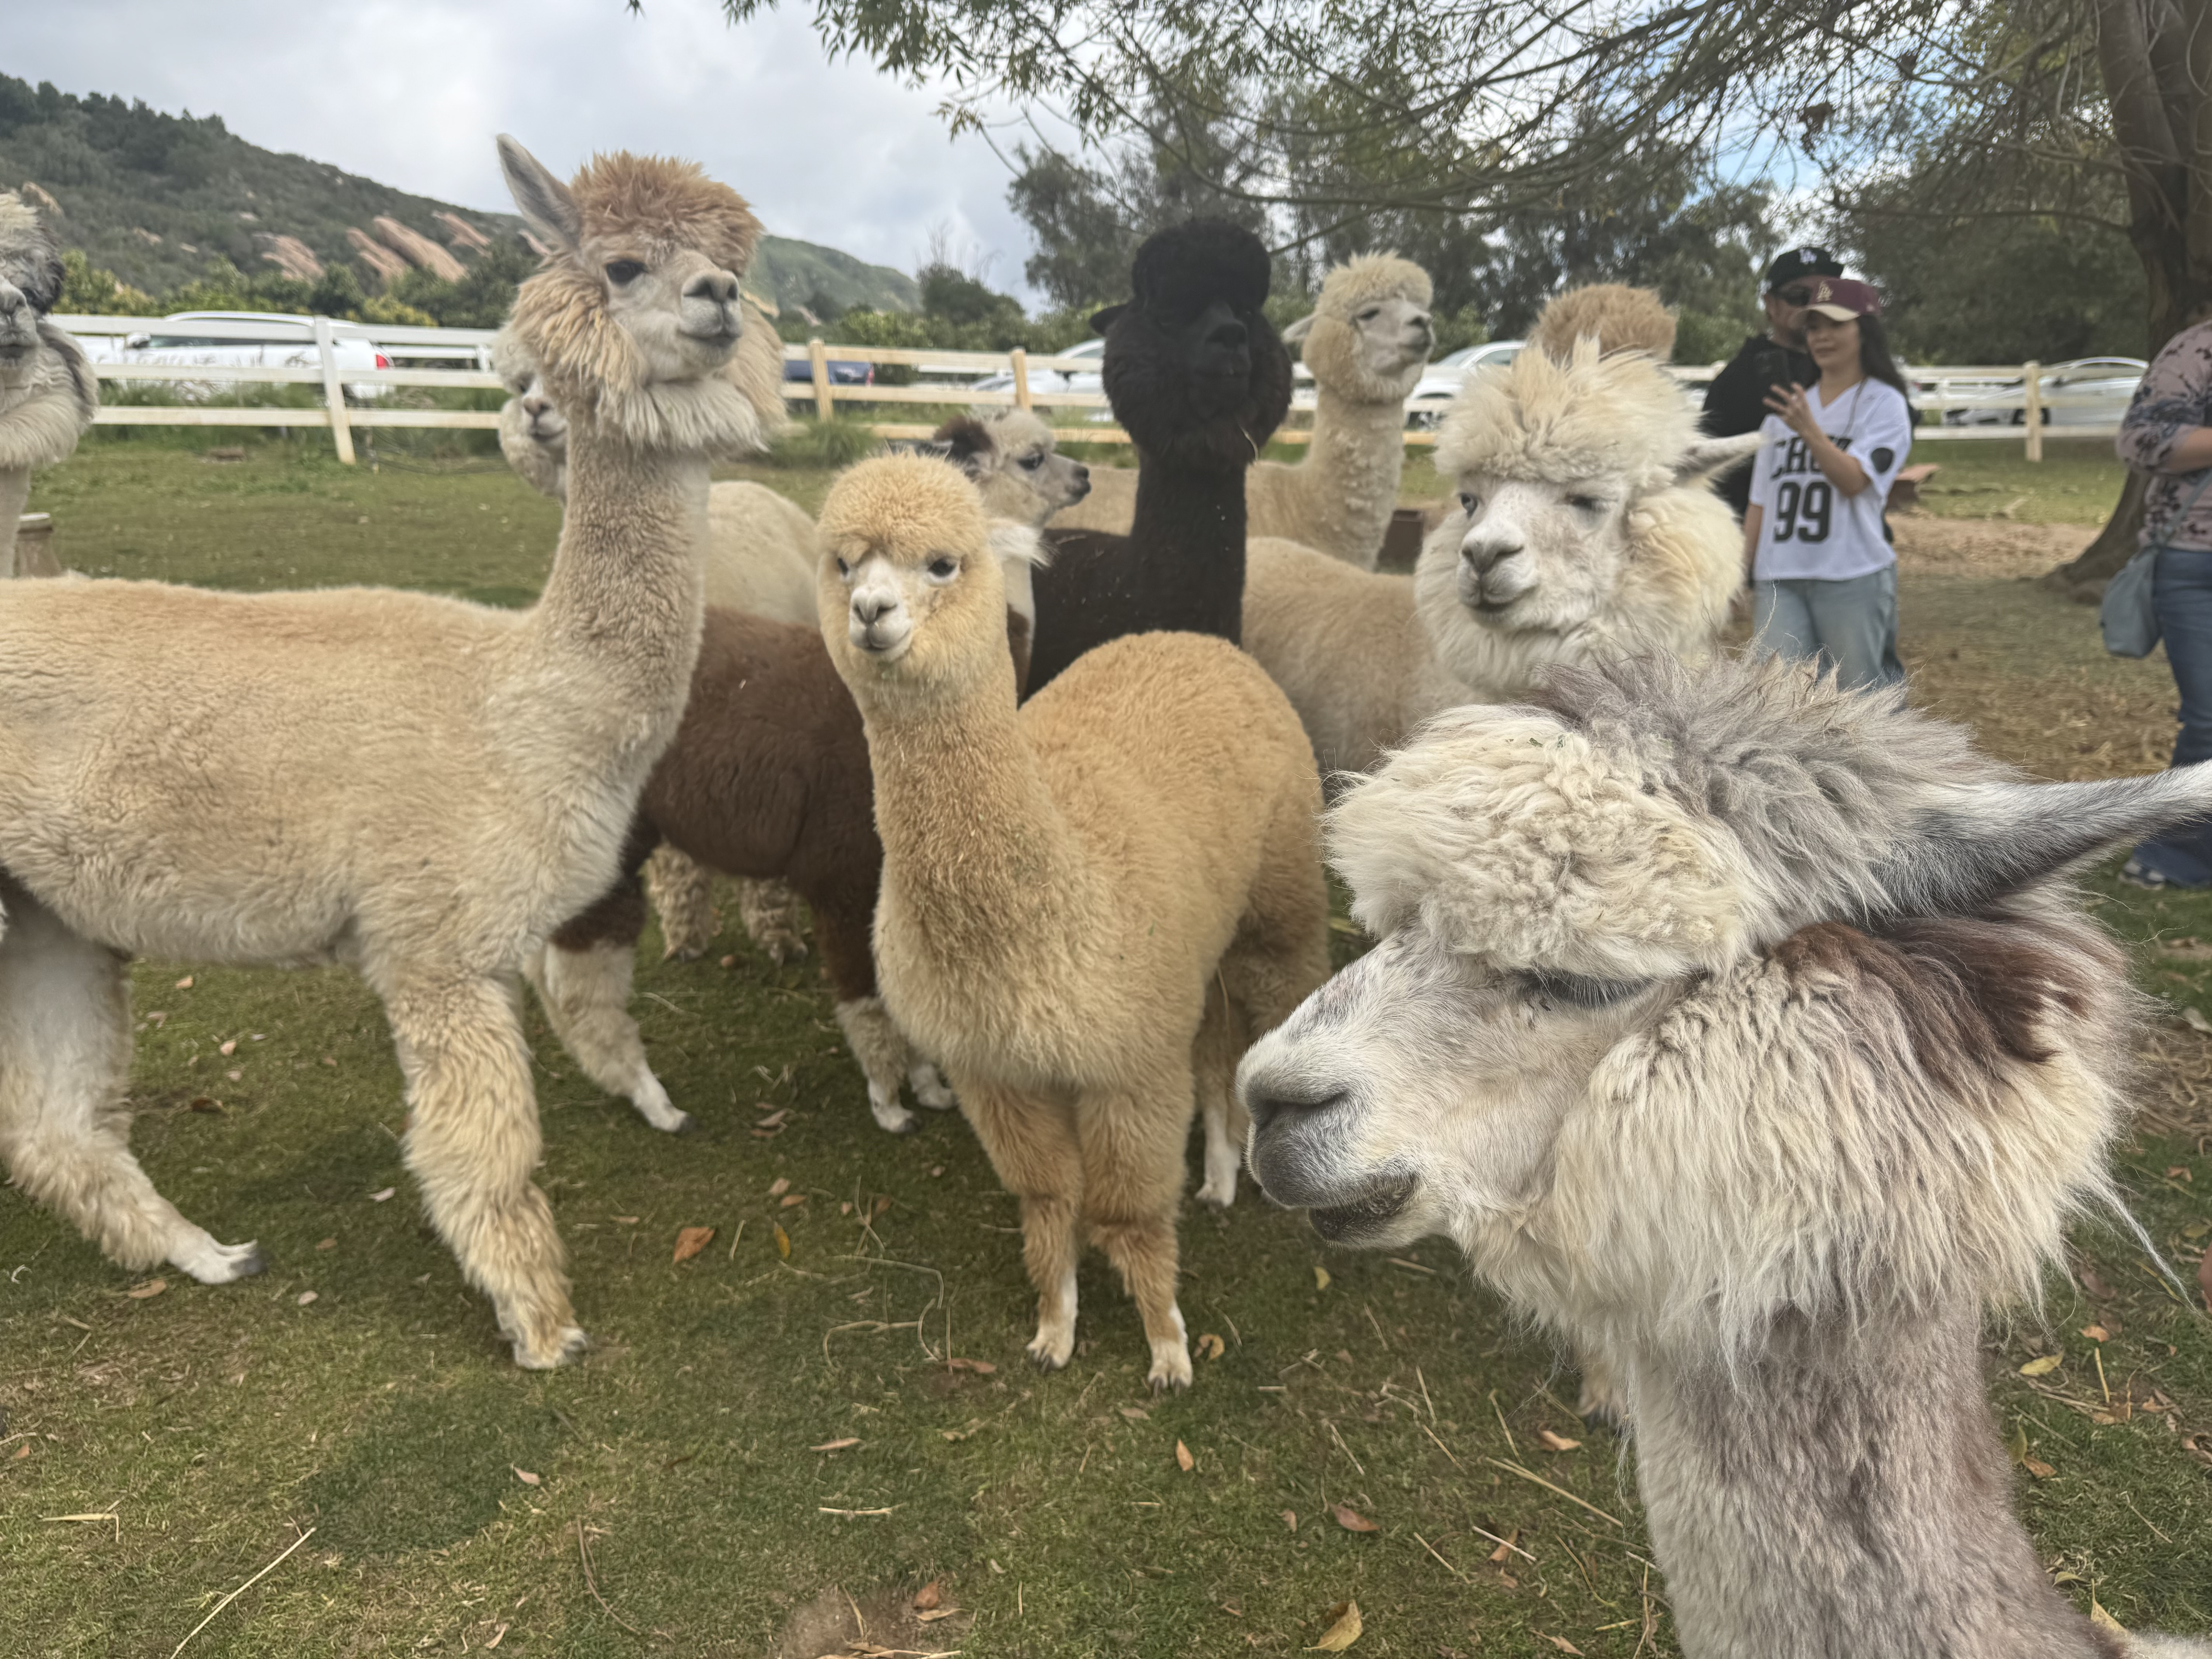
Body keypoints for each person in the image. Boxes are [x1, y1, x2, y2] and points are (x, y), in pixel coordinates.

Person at [1741, 276, 1913, 691]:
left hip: (1852, 576)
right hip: (1780, 578)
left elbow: (1854, 481)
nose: (1822, 337)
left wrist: (1811, 432)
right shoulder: (1784, 412)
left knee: (1861, 703)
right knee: (1776, 701)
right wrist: (1740, 572)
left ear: (1864, 330)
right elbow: (1761, 501)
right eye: (1814, 327)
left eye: (1836, 325)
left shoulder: (1884, 404)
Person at [2116, 317, 2212, 888]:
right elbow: (2138, 439)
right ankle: (2173, 851)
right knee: (2209, 717)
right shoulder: (2198, 348)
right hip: (2195, 561)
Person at [1701, 246, 1843, 517]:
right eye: (1799, 297)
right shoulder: (1737, 382)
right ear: (1771, 304)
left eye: (1825, 295)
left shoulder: (1845, 367)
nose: (1813, 307)